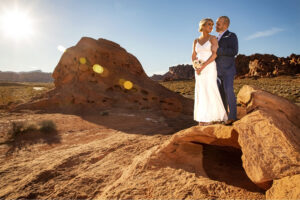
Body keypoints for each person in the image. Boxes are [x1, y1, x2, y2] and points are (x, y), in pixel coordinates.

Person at [192, 18, 228, 126]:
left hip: (209, 67)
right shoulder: (195, 41)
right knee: (201, 91)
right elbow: (193, 55)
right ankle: (202, 118)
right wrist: (195, 66)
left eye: (212, 25)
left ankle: (217, 116)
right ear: (202, 26)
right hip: (198, 70)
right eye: (209, 24)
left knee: (210, 90)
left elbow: (214, 55)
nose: (211, 27)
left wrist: (203, 66)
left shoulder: (213, 38)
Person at [215, 16, 238, 125]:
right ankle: (224, 116)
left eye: (218, 23)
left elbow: (234, 51)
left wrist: (218, 50)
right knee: (220, 94)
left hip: (228, 69)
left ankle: (232, 116)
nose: (216, 25)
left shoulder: (231, 35)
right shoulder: (215, 38)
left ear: (225, 25)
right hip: (217, 71)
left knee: (229, 90)